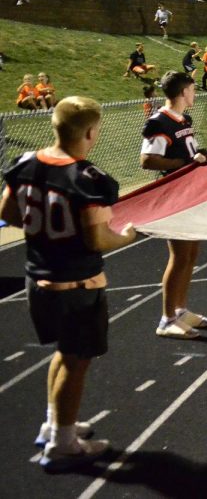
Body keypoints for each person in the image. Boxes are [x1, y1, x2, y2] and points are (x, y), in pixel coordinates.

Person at [0, 96, 135, 472]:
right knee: (77, 361)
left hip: (37, 276)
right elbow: (98, 239)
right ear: (91, 132)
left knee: (63, 352)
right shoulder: (89, 179)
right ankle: (62, 444)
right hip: (78, 282)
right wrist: (127, 235)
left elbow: (7, 212)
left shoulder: (25, 164)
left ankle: (56, 423)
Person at [141, 71, 207, 339]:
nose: (195, 94)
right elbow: (148, 160)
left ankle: (180, 309)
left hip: (190, 193)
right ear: (184, 91)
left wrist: (203, 154)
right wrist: (185, 163)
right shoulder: (160, 121)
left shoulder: (183, 118)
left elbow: (186, 152)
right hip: (174, 195)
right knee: (178, 256)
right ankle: (166, 318)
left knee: (190, 255)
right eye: (193, 89)